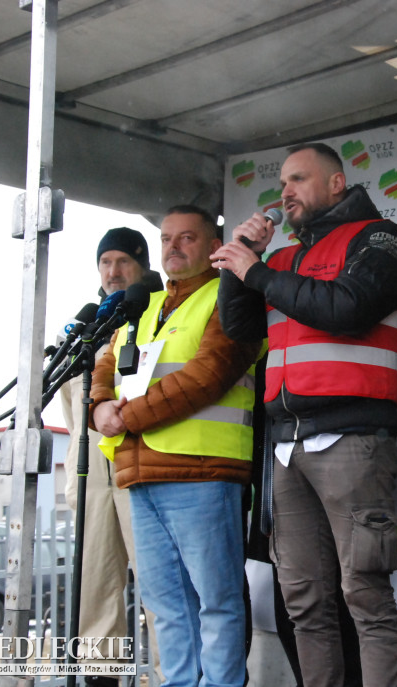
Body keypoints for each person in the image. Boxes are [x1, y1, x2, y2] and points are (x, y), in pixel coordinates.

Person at [210, 142, 397, 687]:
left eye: (298, 180)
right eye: (282, 183)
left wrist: (256, 272)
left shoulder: (380, 238)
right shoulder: (278, 259)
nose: (285, 193)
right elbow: (239, 327)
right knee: (305, 602)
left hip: (353, 439)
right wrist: (241, 258)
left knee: (365, 595)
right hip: (286, 444)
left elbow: (346, 310)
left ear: (335, 183)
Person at [91, 206, 262, 687]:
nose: (172, 247)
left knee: (217, 599)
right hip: (140, 476)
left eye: (187, 238)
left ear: (212, 246)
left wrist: (124, 417)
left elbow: (206, 377)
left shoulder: (230, 295)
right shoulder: (143, 303)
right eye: (166, 238)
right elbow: (106, 367)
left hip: (204, 473)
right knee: (165, 605)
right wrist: (99, 405)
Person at [60, 227, 161, 686]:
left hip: (147, 463)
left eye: (123, 261)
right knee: (95, 587)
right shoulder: (90, 325)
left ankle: (171, 675)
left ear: (142, 264)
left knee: (161, 589)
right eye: (106, 263)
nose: (114, 271)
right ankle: (100, 677)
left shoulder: (162, 309)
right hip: (90, 474)